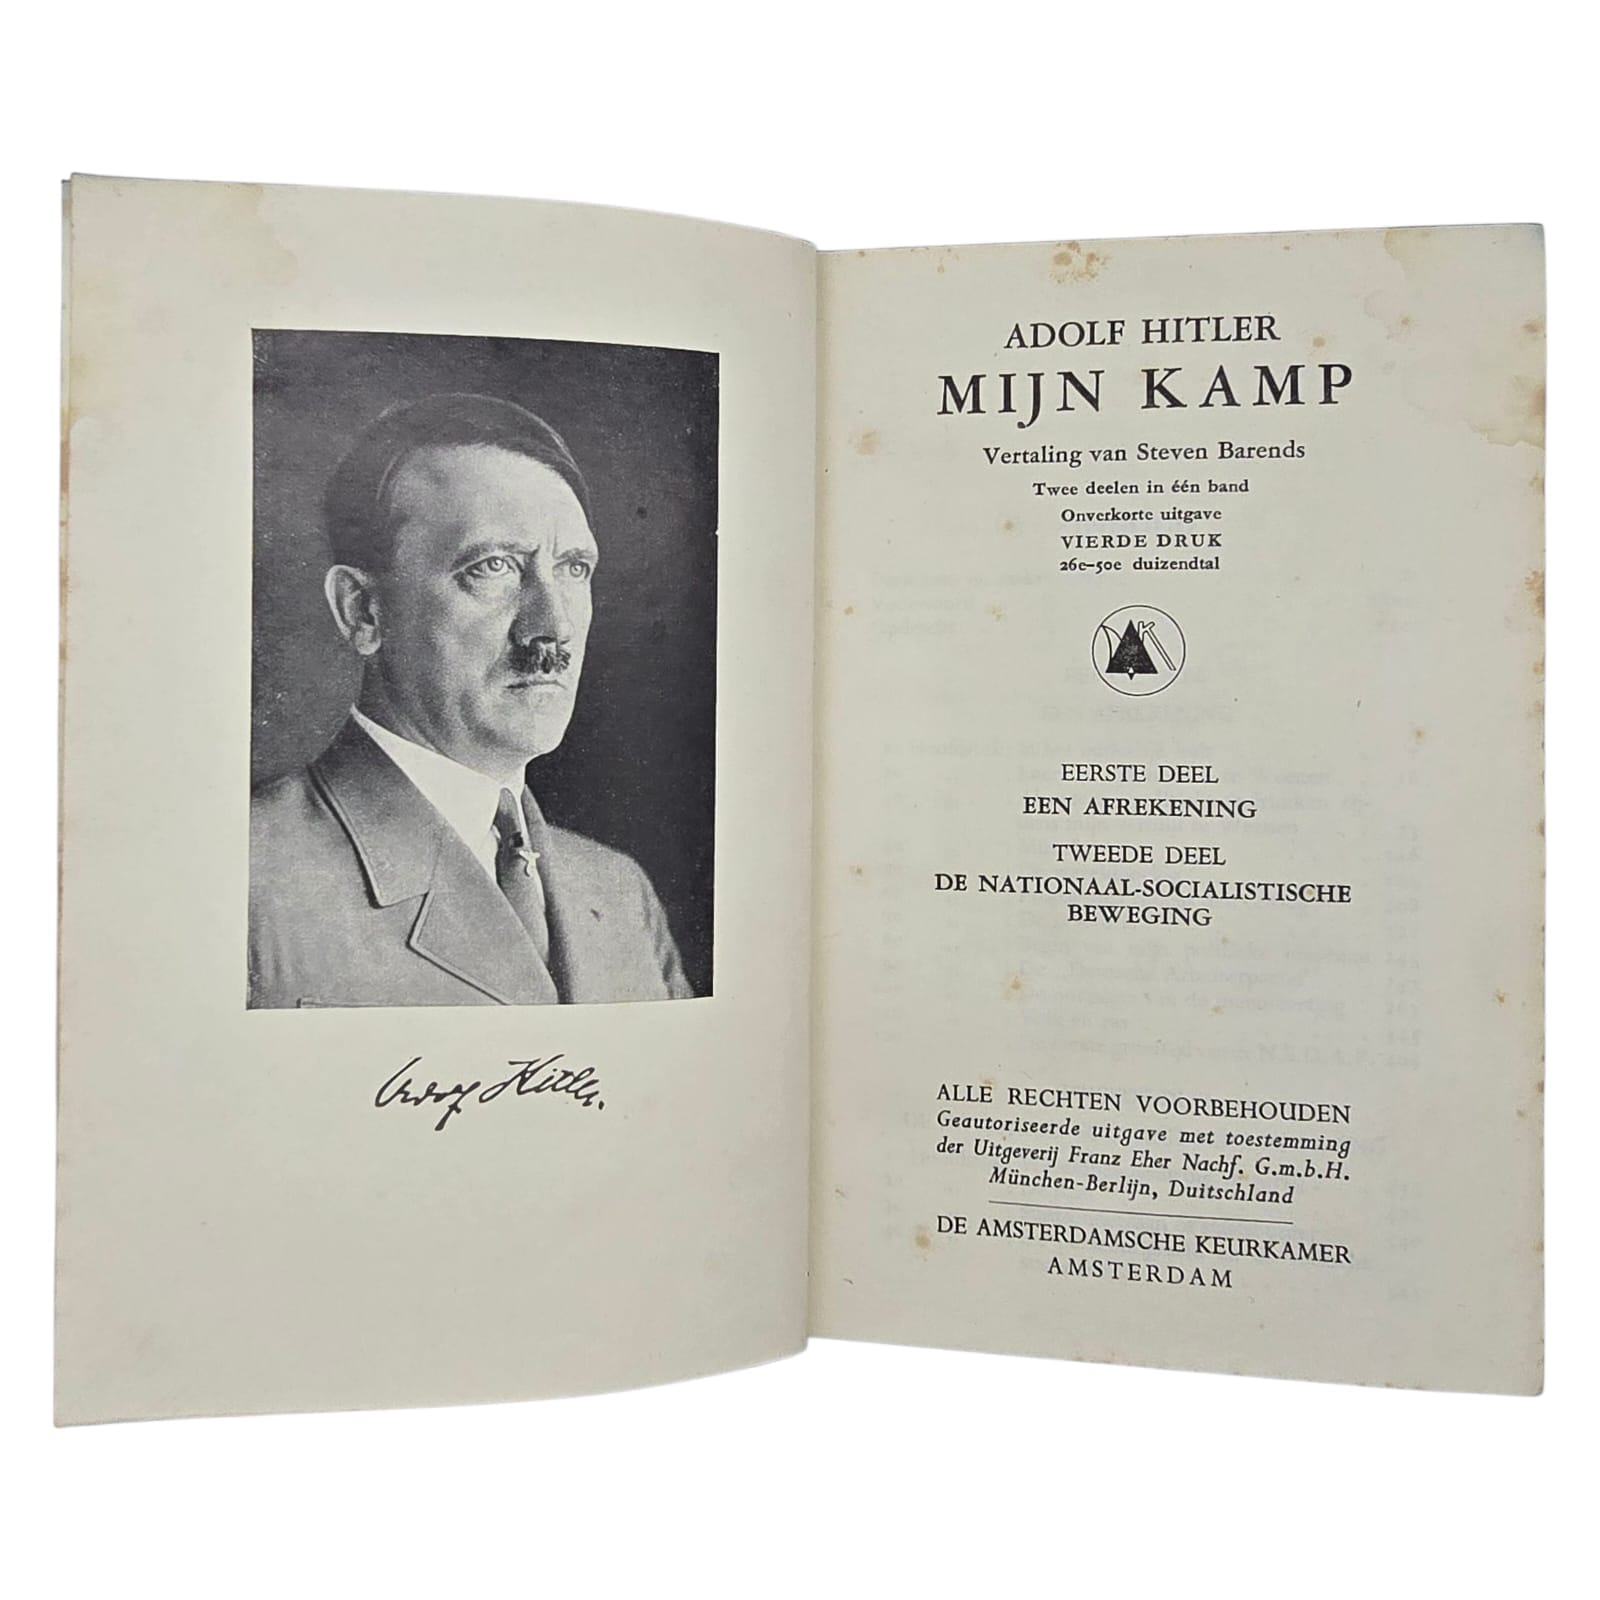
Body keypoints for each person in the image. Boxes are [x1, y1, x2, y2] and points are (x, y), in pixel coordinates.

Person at [248, 393, 694, 1008]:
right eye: (494, 566)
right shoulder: (244, 879)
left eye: (573, 569)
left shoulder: (620, 895)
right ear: (363, 611)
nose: (554, 628)